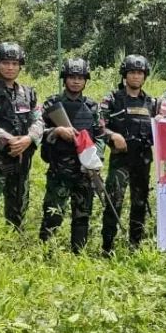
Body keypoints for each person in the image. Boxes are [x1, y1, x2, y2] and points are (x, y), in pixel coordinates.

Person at [39, 57, 107, 252]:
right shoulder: (52, 103)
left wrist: (95, 159)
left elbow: (100, 136)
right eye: (72, 77)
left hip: (85, 172)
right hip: (59, 170)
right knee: (53, 215)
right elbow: (37, 132)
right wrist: (56, 131)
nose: (76, 81)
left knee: (82, 216)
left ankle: (79, 255)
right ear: (65, 79)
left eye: (80, 77)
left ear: (86, 80)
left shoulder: (93, 107)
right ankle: (47, 253)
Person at [0, 42, 42, 234]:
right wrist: (11, 141)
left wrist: (28, 139)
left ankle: (15, 249)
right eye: (5, 63)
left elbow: (39, 120)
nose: (10, 67)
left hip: (22, 159)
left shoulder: (28, 93)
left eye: (14, 63)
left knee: (18, 208)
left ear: (21, 65)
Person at [100, 54, 158, 253]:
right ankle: (107, 247)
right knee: (113, 201)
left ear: (145, 76)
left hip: (143, 160)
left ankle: (135, 245)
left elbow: (163, 129)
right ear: (125, 75)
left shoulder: (152, 102)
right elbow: (98, 126)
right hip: (121, 160)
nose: (135, 76)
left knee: (140, 203)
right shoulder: (113, 99)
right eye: (132, 72)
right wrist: (112, 135)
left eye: (139, 73)